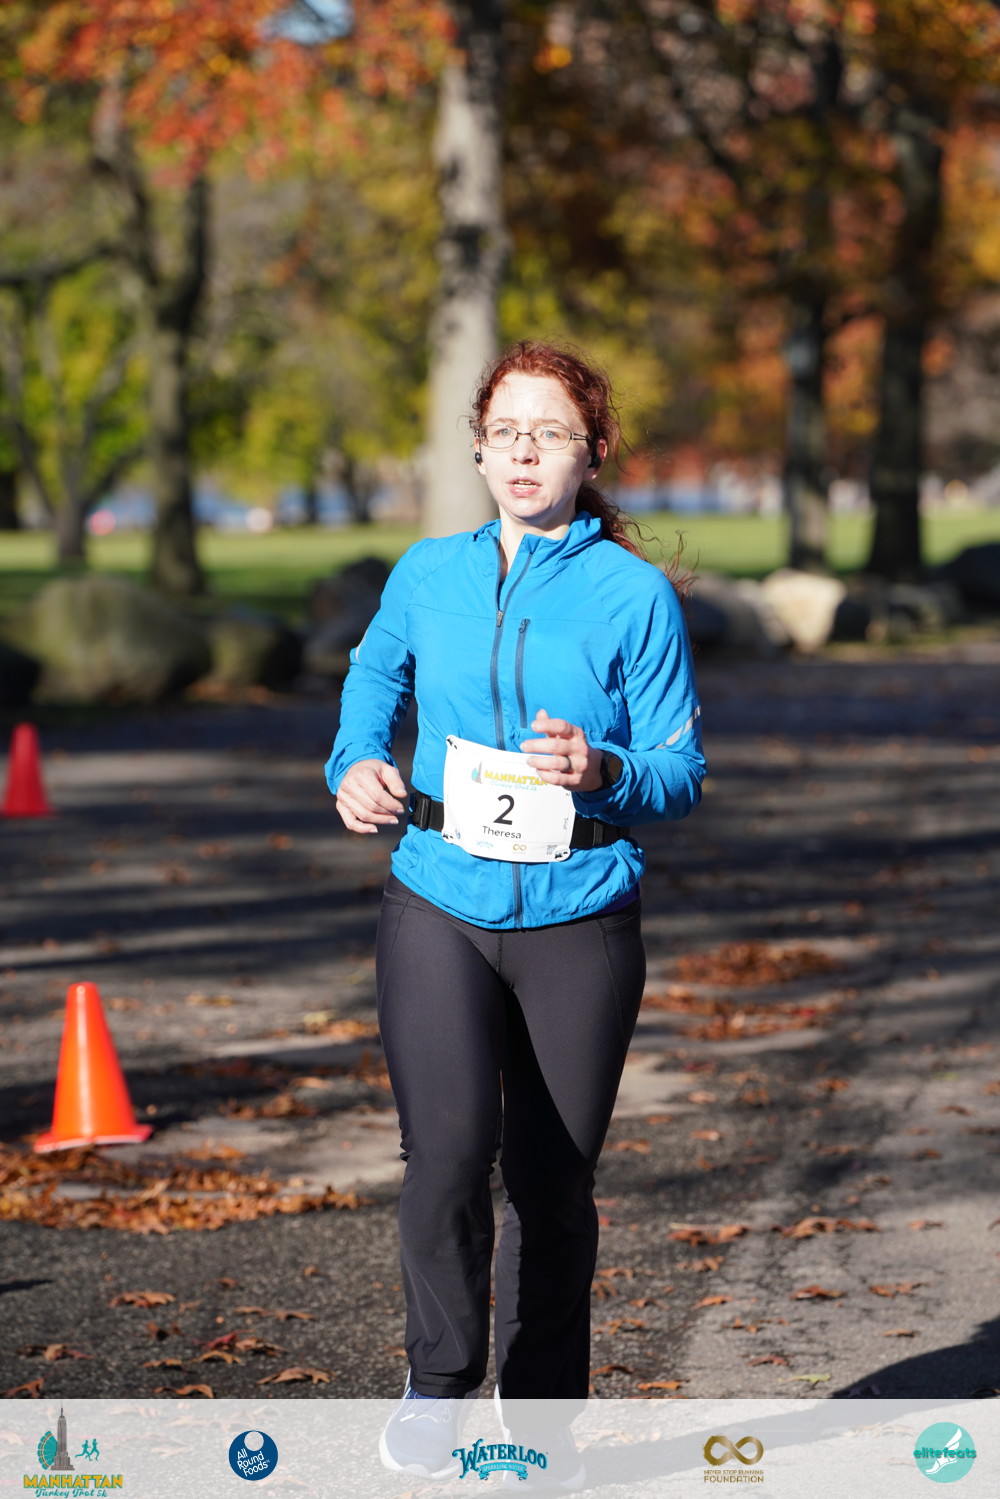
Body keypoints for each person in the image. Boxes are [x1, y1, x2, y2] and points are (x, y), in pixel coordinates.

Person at [326, 340, 704, 1486]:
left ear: (592, 452)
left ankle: (538, 1416)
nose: (526, 451)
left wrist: (604, 769)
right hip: (438, 893)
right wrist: (354, 759)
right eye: (506, 432)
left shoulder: (631, 595)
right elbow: (372, 680)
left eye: (551, 432)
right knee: (445, 1154)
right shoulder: (426, 571)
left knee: (550, 1182)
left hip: (580, 913)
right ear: (480, 451)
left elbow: (680, 771)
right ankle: (438, 1381)